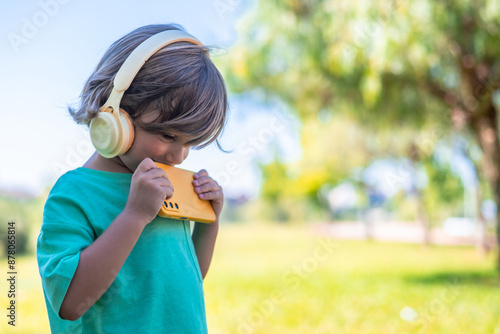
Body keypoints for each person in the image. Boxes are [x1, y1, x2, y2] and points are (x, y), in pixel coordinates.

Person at [36, 23, 227, 333]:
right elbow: (70, 303)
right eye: (168, 135)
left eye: (189, 143)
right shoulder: (73, 194)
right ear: (115, 116)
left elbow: (184, 284)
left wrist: (210, 223)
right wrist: (135, 215)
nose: (179, 156)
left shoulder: (164, 184)